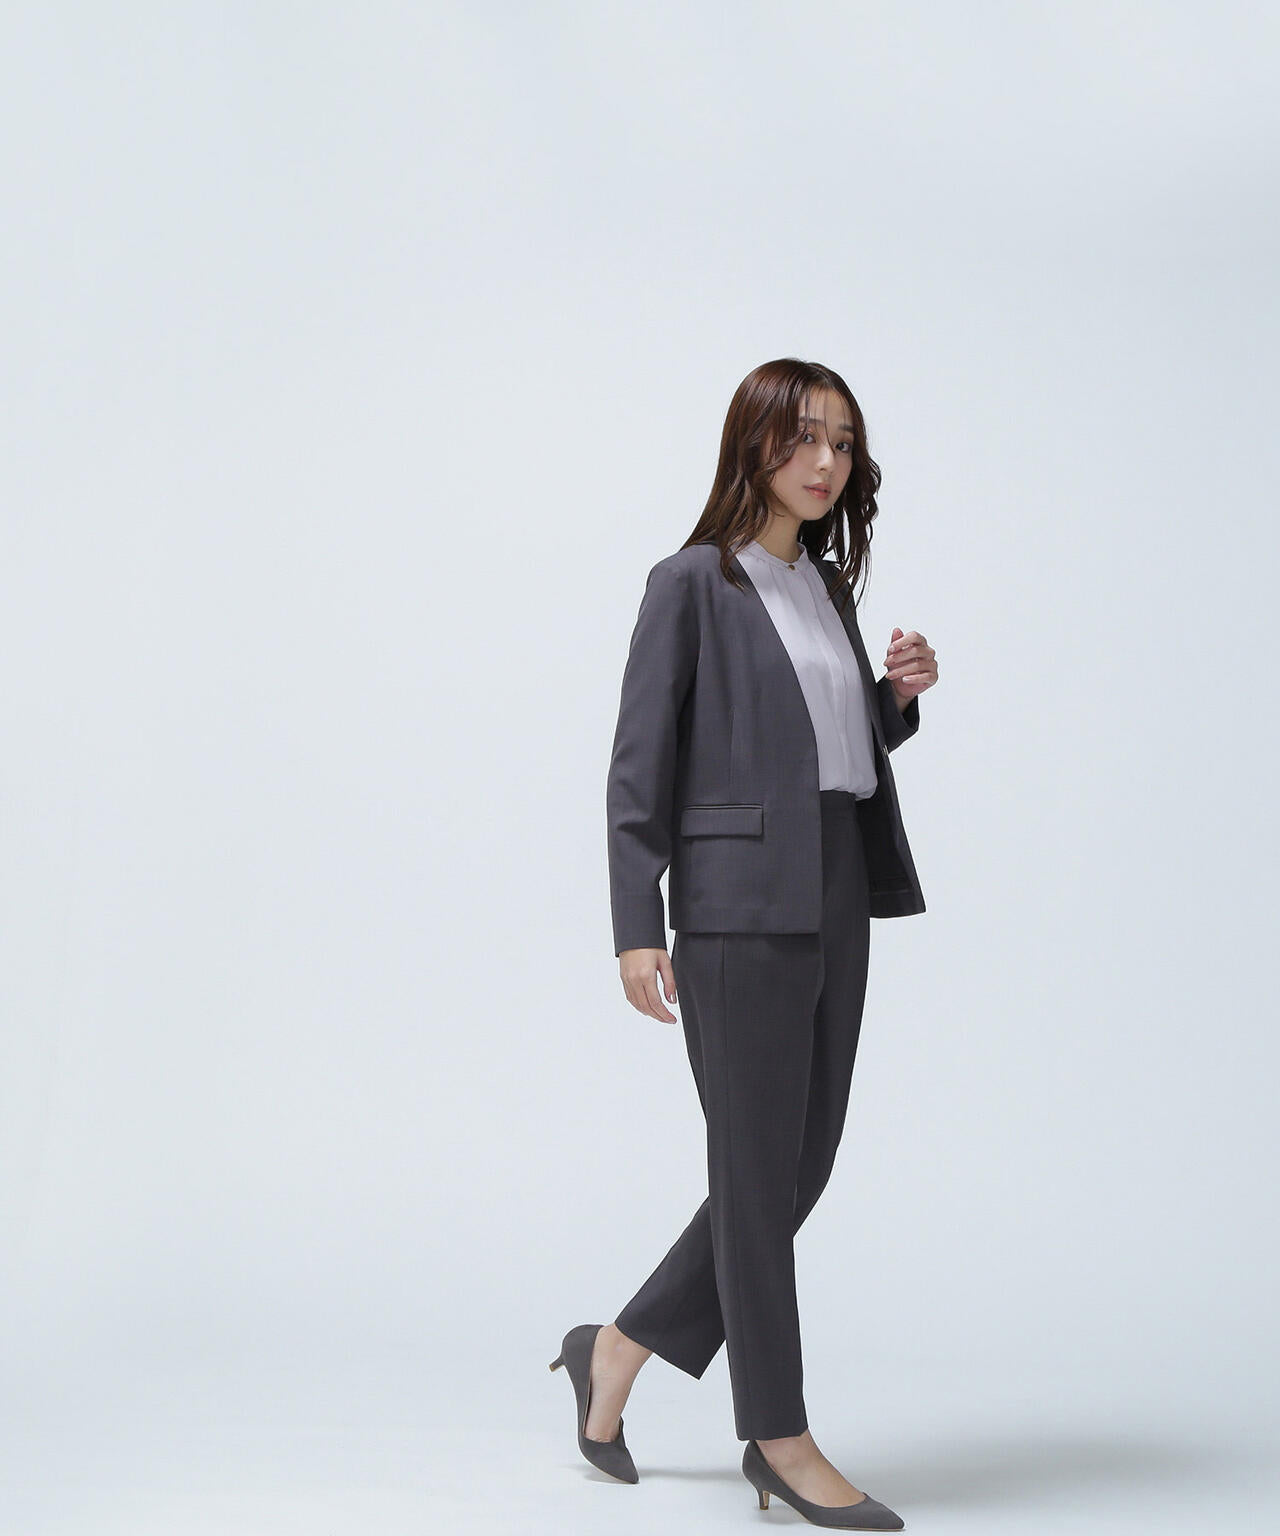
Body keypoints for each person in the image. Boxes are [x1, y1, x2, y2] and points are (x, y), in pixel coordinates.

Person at [550, 358, 939, 1530]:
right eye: (804, 437)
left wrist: (892, 700)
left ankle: (616, 1347)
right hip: (733, 906)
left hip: (834, 880)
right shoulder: (690, 584)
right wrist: (635, 925)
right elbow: (637, 765)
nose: (826, 462)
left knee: (792, 1167)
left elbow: (821, 741)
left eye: (843, 443)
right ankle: (777, 1436)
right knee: (757, 1176)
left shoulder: (821, 586)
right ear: (752, 445)